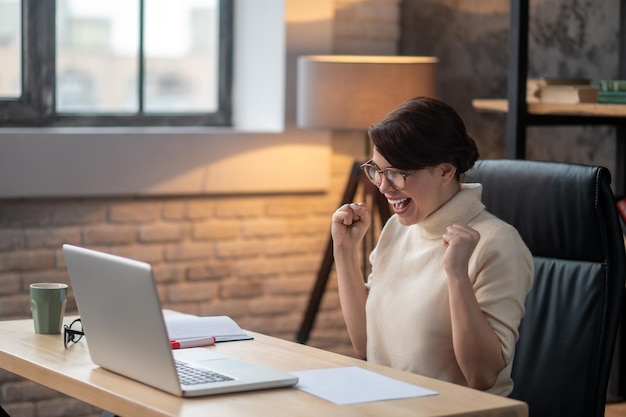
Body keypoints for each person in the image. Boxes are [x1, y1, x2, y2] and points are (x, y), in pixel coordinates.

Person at [331, 96, 533, 396]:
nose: (384, 187)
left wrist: (457, 275)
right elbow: (365, 344)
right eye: (377, 170)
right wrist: (344, 252)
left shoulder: (498, 243)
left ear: (445, 171)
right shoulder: (397, 230)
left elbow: (482, 375)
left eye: (397, 173)